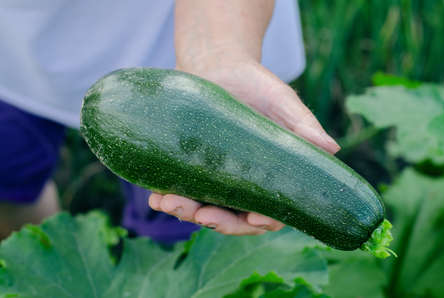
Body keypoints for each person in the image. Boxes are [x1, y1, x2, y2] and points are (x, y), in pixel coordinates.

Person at [0, 1, 340, 241]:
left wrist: (218, 56)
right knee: (8, 186)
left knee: (176, 238)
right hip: (10, 50)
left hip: (177, 68)